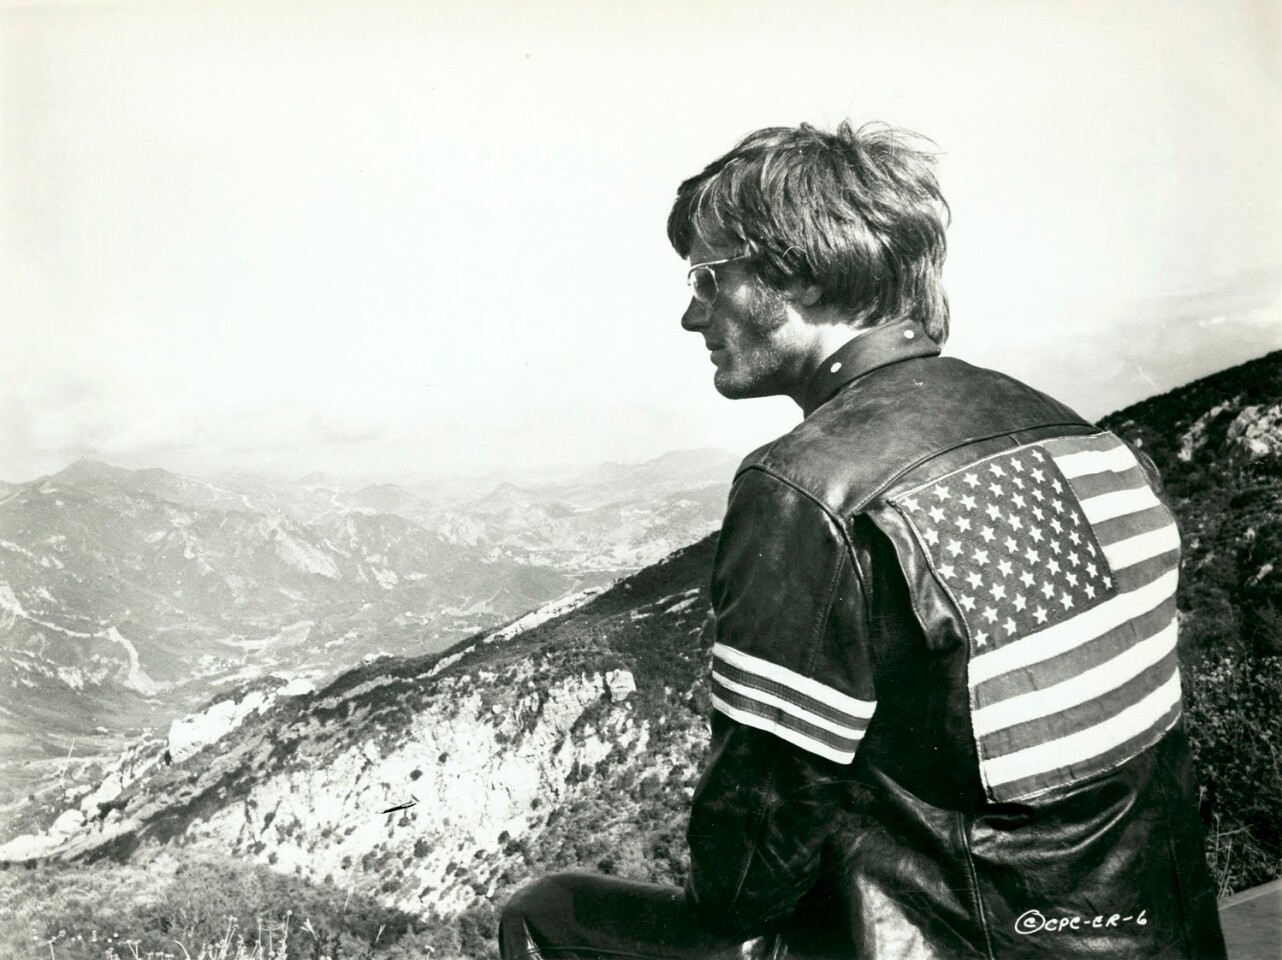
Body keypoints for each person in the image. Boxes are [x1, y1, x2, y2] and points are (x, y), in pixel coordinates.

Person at [499, 121, 1227, 959]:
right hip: (1157, 931)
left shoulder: (809, 487)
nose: (689, 313)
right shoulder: (1075, 434)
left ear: (795, 272)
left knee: (547, 911)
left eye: (706, 277)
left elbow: (752, 859)